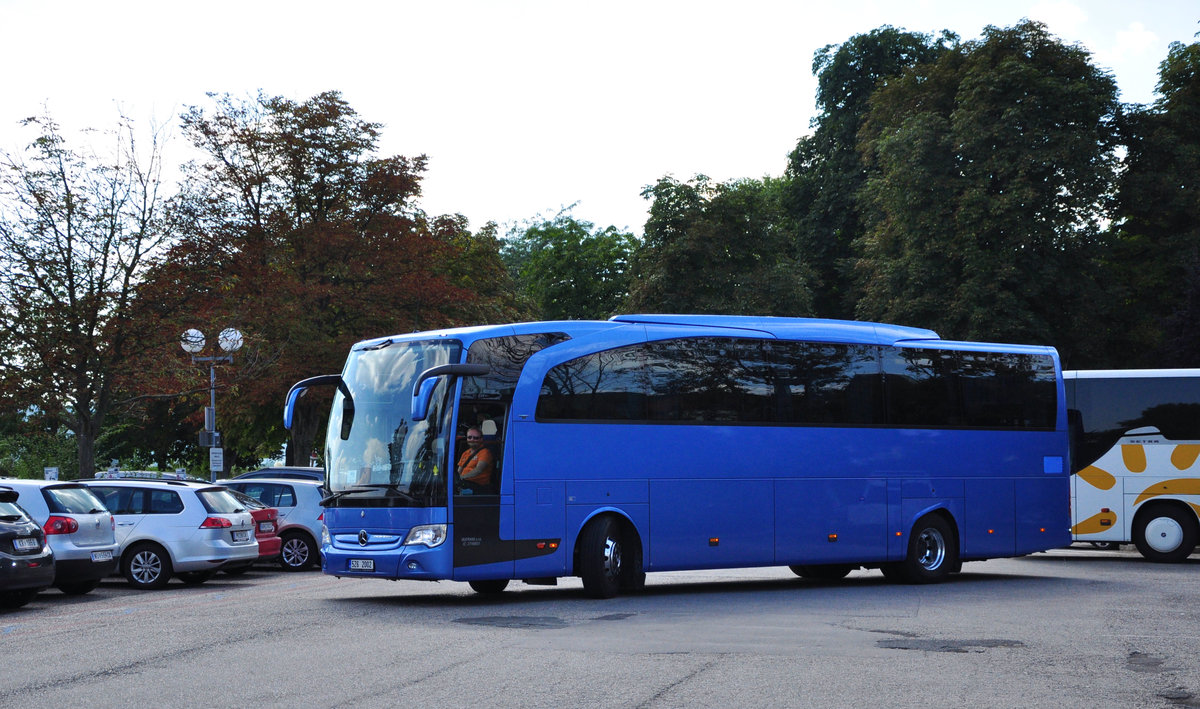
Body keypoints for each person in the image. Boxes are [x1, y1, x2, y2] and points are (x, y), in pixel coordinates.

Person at [456, 427, 494, 493]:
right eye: (469, 437)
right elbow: (459, 470)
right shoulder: (465, 453)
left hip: (478, 488)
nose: (472, 439)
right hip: (464, 484)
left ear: (481, 439)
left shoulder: (485, 452)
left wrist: (462, 477)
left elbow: (478, 470)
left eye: (475, 438)